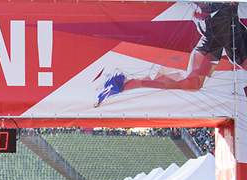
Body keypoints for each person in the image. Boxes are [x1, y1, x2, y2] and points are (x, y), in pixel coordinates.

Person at [96, 3, 247, 107]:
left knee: (193, 84)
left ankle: (128, 83)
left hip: (220, 28)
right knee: (192, 83)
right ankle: (128, 83)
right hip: (218, 23)